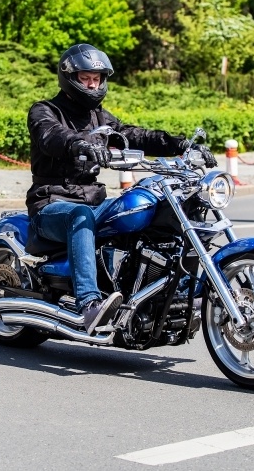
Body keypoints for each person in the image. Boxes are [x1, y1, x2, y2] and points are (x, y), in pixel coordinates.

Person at [25, 43, 216, 334]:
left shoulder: (101, 118)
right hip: (50, 204)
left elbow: (133, 134)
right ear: (69, 78)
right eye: (86, 78)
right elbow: (52, 135)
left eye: (97, 79)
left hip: (94, 201)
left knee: (152, 198)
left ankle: (170, 287)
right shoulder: (44, 110)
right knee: (79, 215)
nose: (93, 84)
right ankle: (88, 304)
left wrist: (180, 144)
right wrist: (78, 144)